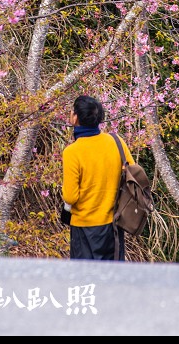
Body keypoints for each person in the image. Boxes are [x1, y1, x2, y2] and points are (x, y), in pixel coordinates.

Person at [61, 94, 133, 261]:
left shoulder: (72, 152)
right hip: (113, 225)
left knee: (85, 280)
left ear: (75, 117)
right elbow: (131, 175)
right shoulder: (116, 141)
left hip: (84, 227)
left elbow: (70, 197)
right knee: (110, 277)